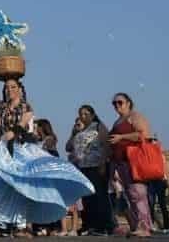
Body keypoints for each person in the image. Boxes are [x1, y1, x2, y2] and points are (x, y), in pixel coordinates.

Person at [0, 76, 93, 236]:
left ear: (20, 89)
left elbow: (23, 123)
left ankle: (24, 225)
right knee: (9, 187)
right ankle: (14, 225)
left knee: (24, 186)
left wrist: (12, 132)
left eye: (13, 87)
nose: (10, 90)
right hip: (8, 151)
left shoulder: (25, 106)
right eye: (7, 88)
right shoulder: (3, 106)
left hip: (23, 149)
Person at [108, 92, 152, 237]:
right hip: (121, 163)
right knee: (130, 195)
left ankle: (145, 227)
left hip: (134, 161)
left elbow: (143, 135)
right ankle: (138, 226)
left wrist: (121, 137)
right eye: (114, 103)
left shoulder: (135, 116)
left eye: (120, 102)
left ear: (128, 103)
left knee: (138, 194)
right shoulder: (117, 121)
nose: (116, 105)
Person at [65, 105, 113, 236]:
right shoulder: (79, 130)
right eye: (81, 114)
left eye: (86, 114)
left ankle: (105, 226)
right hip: (83, 167)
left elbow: (106, 145)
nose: (83, 116)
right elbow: (68, 147)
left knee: (99, 196)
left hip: (97, 166)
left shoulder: (98, 126)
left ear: (92, 114)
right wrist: (73, 133)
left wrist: (103, 164)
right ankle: (89, 225)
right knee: (87, 198)